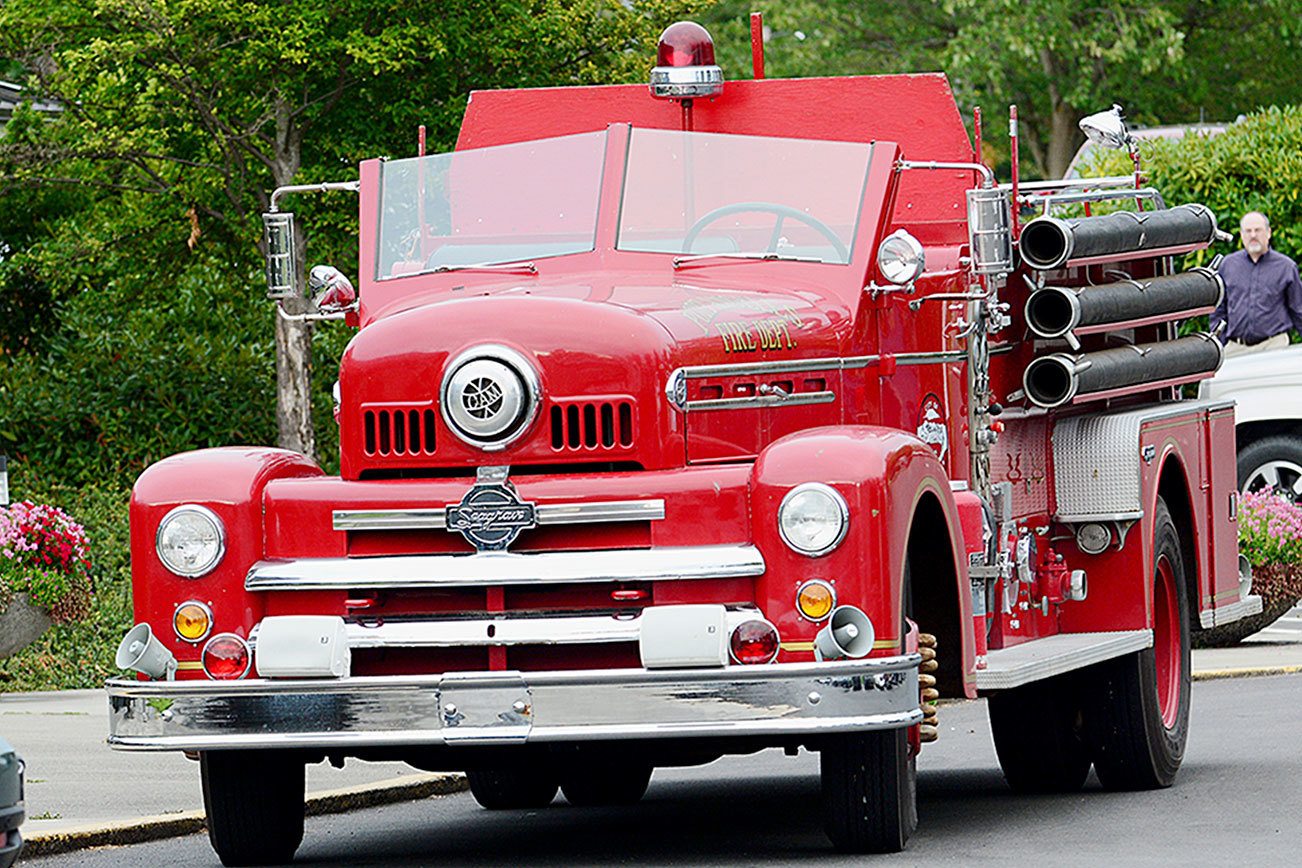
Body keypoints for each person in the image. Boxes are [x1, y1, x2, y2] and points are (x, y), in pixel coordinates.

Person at [1211, 211, 1302, 358]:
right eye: (1248, 231)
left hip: (1274, 346)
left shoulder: (1286, 267)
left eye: (1258, 230)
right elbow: (1218, 309)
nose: (1253, 235)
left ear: (1268, 233)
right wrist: (1218, 342)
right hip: (1235, 348)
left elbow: (1299, 310)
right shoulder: (1228, 265)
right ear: (1241, 235)